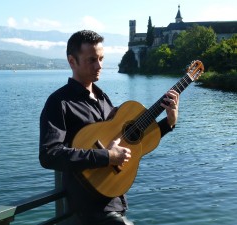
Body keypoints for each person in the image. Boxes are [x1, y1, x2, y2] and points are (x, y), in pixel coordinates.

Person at [39, 30, 179, 225]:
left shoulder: (103, 99)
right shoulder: (59, 102)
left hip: (115, 200)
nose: (99, 66)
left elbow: (133, 138)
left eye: (102, 59)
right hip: (89, 208)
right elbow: (49, 154)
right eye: (92, 60)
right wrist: (107, 157)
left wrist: (169, 122)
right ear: (72, 61)